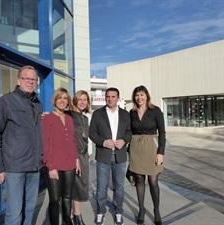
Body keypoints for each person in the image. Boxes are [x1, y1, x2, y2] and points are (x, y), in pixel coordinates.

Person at [0, 65, 43, 225]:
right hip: (14, 168)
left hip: (34, 167)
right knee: (14, 213)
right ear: (19, 80)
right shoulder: (6, 101)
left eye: (33, 79)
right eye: (27, 78)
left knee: (30, 208)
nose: (31, 82)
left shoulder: (37, 103)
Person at [89, 87, 132, 225]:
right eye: (108, 96)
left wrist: (124, 140)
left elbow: (129, 132)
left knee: (119, 187)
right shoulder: (97, 114)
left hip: (120, 156)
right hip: (103, 156)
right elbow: (92, 132)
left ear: (118, 98)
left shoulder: (125, 114)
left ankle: (118, 212)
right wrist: (103, 142)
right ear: (105, 97)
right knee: (101, 187)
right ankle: (101, 212)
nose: (110, 99)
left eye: (113, 96)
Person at [128, 85, 166, 225]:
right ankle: (141, 210)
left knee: (153, 181)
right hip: (136, 148)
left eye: (142, 95)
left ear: (147, 96)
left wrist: (160, 152)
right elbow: (127, 131)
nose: (139, 97)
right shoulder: (131, 112)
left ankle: (156, 210)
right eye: (137, 95)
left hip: (152, 148)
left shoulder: (155, 111)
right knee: (139, 180)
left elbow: (162, 132)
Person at [42, 87, 81, 225]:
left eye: (65, 98)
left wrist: (76, 160)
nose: (62, 101)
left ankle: (67, 221)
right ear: (55, 100)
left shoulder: (69, 119)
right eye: (60, 98)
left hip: (70, 163)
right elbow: (45, 144)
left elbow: (73, 140)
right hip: (54, 165)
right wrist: (50, 166)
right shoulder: (47, 118)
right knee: (54, 199)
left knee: (67, 197)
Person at [68, 90, 91, 225]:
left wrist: (87, 158)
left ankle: (77, 216)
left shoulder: (85, 118)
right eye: (80, 99)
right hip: (71, 156)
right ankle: (70, 216)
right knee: (71, 187)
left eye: (85, 100)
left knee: (81, 187)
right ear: (75, 100)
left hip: (83, 156)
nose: (82, 102)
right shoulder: (68, 115)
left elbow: (85, 140)